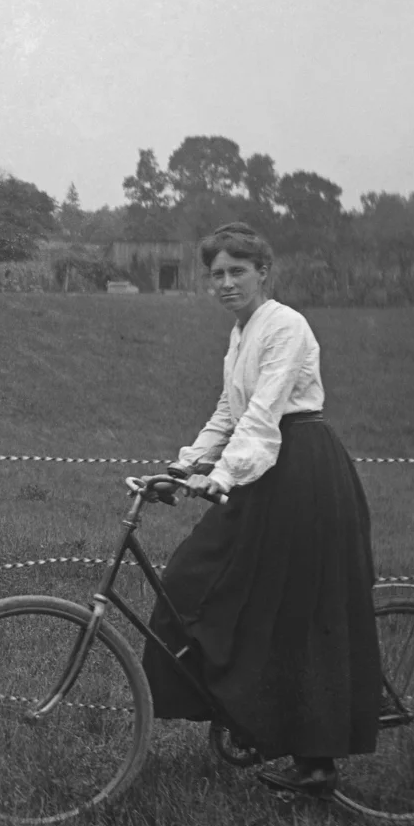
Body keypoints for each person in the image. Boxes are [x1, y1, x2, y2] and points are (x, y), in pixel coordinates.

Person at [144, 222, 381, 797]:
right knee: (191, 579)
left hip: (302, 469)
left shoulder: (286, 326)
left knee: (296, 605)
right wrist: (183, 468)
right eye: (216, 275)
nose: (224, 283)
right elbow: (229, 414)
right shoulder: (241, 333)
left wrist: (222, 476)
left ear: (262, 272)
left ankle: (317, 764)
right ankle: (246, 715)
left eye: (236, 272)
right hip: (265, 468)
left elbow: (265, 415)